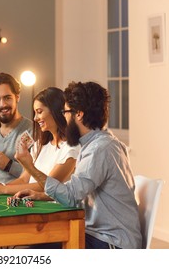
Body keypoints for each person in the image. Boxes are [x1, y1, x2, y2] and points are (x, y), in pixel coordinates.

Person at [14, 81, 142, 249]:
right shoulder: (96, 143)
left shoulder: (100, 149)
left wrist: (30, 167)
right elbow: (79, 190)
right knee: (38, 244)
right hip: (98, 234)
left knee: (37, 248)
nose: (64, 118)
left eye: (65, 112)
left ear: (79, 114)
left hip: (111, 242)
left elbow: (71, 196)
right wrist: (41, 195)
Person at [0, 87, 80, 196]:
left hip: (52, 209)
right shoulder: (40, 144)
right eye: (35, 113)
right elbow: (24, 180)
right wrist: (0, 186)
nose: (35, 118)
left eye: (39, 112)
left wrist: (3, 189)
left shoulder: (72, 147)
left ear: (55, 111)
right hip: (31, 203)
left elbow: (49, 187)